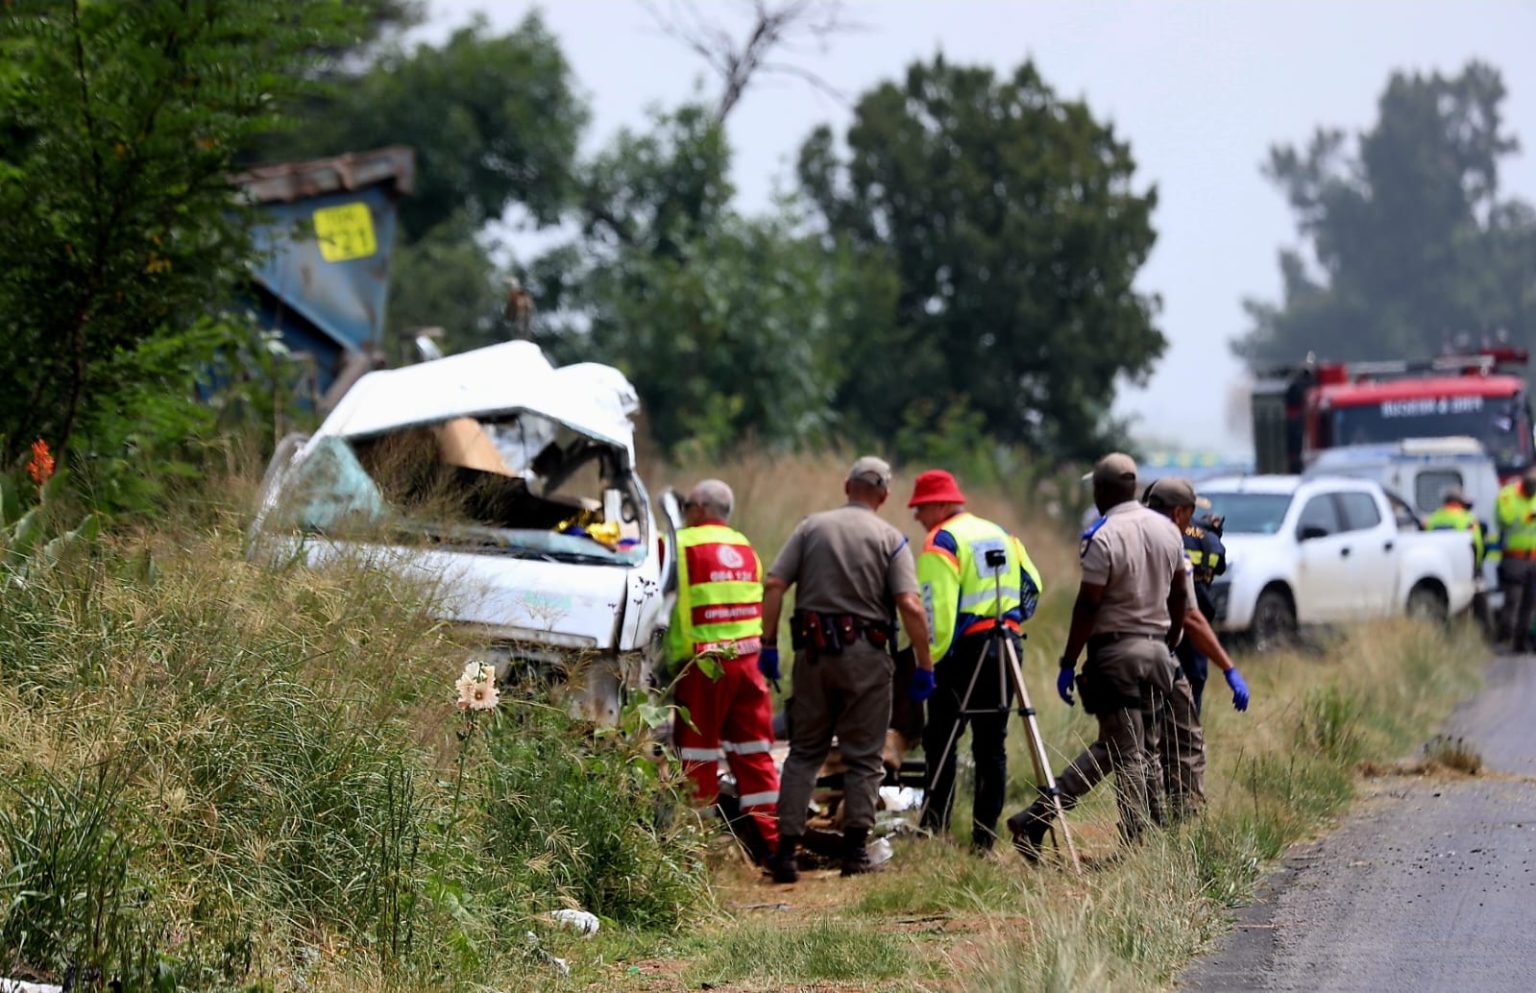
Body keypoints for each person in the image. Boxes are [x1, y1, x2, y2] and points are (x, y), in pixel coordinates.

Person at [1006, 453, 1186, 860]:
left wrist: (1069, 661)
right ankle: (1038, 819)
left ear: (1102, 490)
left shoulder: (1101, 536)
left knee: (1126, 752)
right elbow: (1179, 596)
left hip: (1116, 656)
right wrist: (1170, 641)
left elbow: (1088, 605)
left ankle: (1135, 845)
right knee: (1132, 748)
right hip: (1158, 654)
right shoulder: (1167, 531)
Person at [763, 456, 934, 882]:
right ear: (885, 494)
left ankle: (785, 854)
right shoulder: (891, 538)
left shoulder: (809, 528)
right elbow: (910, 604)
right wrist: (924, 663)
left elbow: (774, 585)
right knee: (864, 755)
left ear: (846, 486)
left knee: (805, 752)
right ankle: (854, 853)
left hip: (813, 657)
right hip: (866, 659)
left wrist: (767, 644)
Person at [910, 469, 1044, 852]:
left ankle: (935, 829)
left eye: (920, 508)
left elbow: (937, 610)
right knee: (991, 745)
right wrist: (1013, 618)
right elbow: (1033, 585)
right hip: (1006, 645)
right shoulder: (1000, 533)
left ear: (939, 504)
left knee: (942, 739)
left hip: (963, 653)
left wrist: (929, 663)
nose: (917, 517)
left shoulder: (942, 540)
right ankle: (984, 841)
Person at [667, 479, 780, 861]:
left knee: (697, 755)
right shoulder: (745, 547)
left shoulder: (681, 545)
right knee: (755, 754)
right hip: (748, 662)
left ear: (699, 507)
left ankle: (695, 852)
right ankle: (774, 848)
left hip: (704, 665)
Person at [1141, 477, 1250, 822]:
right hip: (1176, 642)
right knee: (1185, 733)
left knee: (1139, 741)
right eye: (1188, 513)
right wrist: (1230, 669)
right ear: (1179, 512)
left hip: (1134, 645)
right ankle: (1181, 813)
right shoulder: (1191, 539)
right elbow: (1193, 612)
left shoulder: (1131, 532)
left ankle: (1153, 817)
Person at [1177, 497, 1228, 714]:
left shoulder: (1167, 530)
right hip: (1198, 611)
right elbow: (1220, 567)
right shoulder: (1210, 539)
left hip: (1167, 614)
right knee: (1194, 682)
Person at [1495, 469, 1536, 651]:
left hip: (1534, 558)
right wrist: (1529, 516)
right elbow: (1507, 520)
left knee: (1530, 602)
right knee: (1513, 601)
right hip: (1515, 558)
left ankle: (1522, 642)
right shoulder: (1507, 496)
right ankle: (1506, 640)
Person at [1426, 487, 1485, 574]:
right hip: (1462, 567)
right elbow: (1477, 545)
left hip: (1439, 567)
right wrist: (1477, 566)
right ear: (1460, 501)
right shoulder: (1468, 519)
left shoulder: (1432, 519)